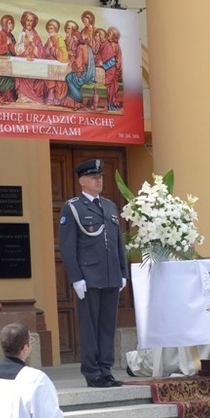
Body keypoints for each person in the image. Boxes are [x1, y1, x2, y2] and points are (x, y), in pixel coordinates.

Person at [59, 158, 128, 388]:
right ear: (82, 181)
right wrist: (76, 277)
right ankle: (92, 372)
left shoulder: (109, 206)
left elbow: (118, 242)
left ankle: (105, 369)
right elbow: (68, 247)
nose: (99, 180)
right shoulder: (73, 208)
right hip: (88, 278)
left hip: (109, 275)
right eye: (93, 177)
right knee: (90, 326)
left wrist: (122, 271)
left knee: (107, 324)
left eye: (100, 176)